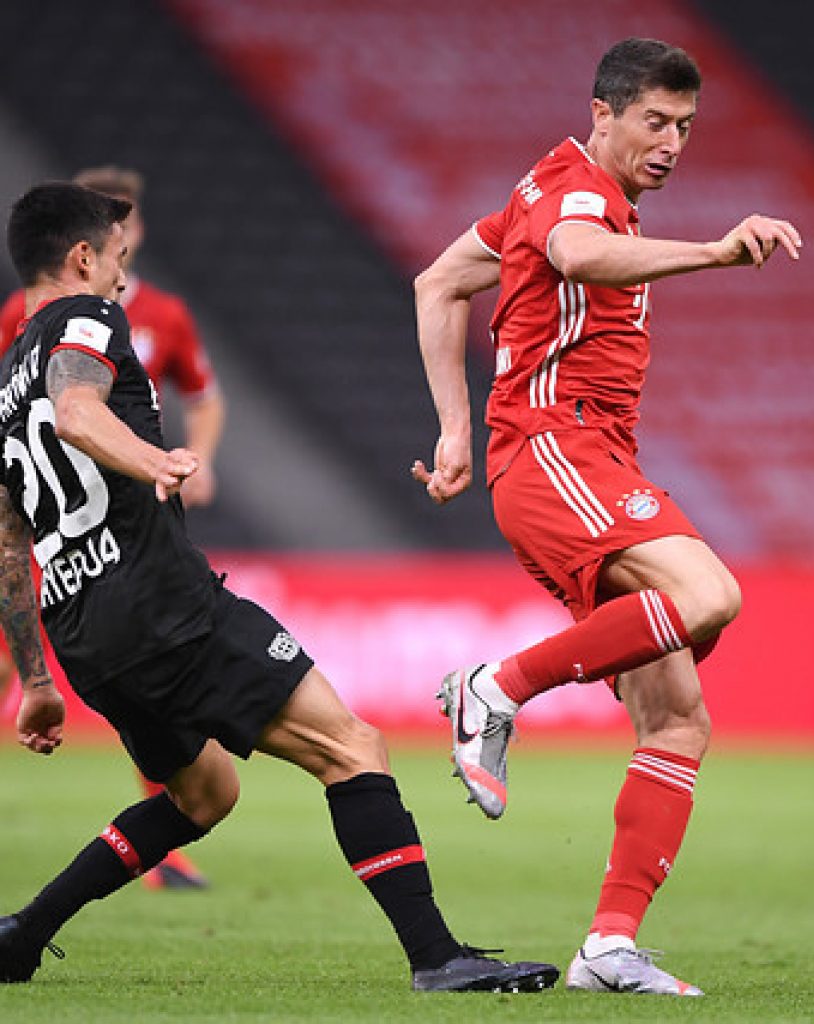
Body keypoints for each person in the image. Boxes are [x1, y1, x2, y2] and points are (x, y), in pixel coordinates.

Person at [0, 181, 558, 994]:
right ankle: (437, 958)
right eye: (116, 258)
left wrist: (38, 680)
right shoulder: (88, 317)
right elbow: (78, 411)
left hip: (84, 635)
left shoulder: (5, 379)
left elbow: (9, 541)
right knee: (352, 747)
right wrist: (158, 460)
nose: (123, 276)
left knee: (203, 794)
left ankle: (23, 933)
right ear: (82, 257)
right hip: (161, 605)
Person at [412, 38, 801, 996]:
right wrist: (715, 250)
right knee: (709, 594)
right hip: (556, 446)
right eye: (654, 122)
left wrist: (454, 431)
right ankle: (493, 688)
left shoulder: (539, 195)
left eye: (685, 128)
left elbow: (439, 281)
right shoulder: (574, 191)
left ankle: (609, 946)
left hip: (577, 459)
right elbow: (578, 253)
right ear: (603, 113)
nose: (671, 144)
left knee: (676, 720)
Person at [0, 166, 225, 890]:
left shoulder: (162, 313)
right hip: (43, 515)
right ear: (82, 250)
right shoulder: (30, 316)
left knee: (133, 668)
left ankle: (165, 840)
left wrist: (198, 457)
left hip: (120, 519)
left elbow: (203, 395)